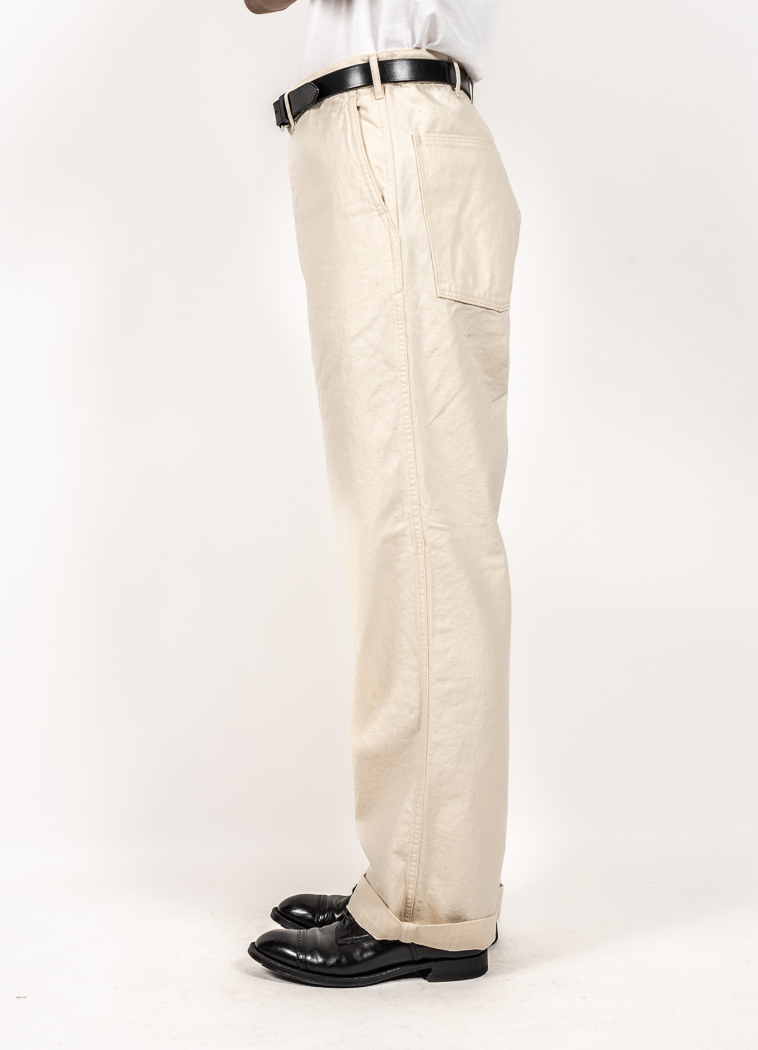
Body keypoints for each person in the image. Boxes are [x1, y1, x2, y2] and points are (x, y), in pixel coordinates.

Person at [243, 0, 521, 987]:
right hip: (380, 139)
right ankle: (412, 870)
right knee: (401, 526)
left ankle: (430, 903)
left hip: (394, 134)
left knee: (421, 536)